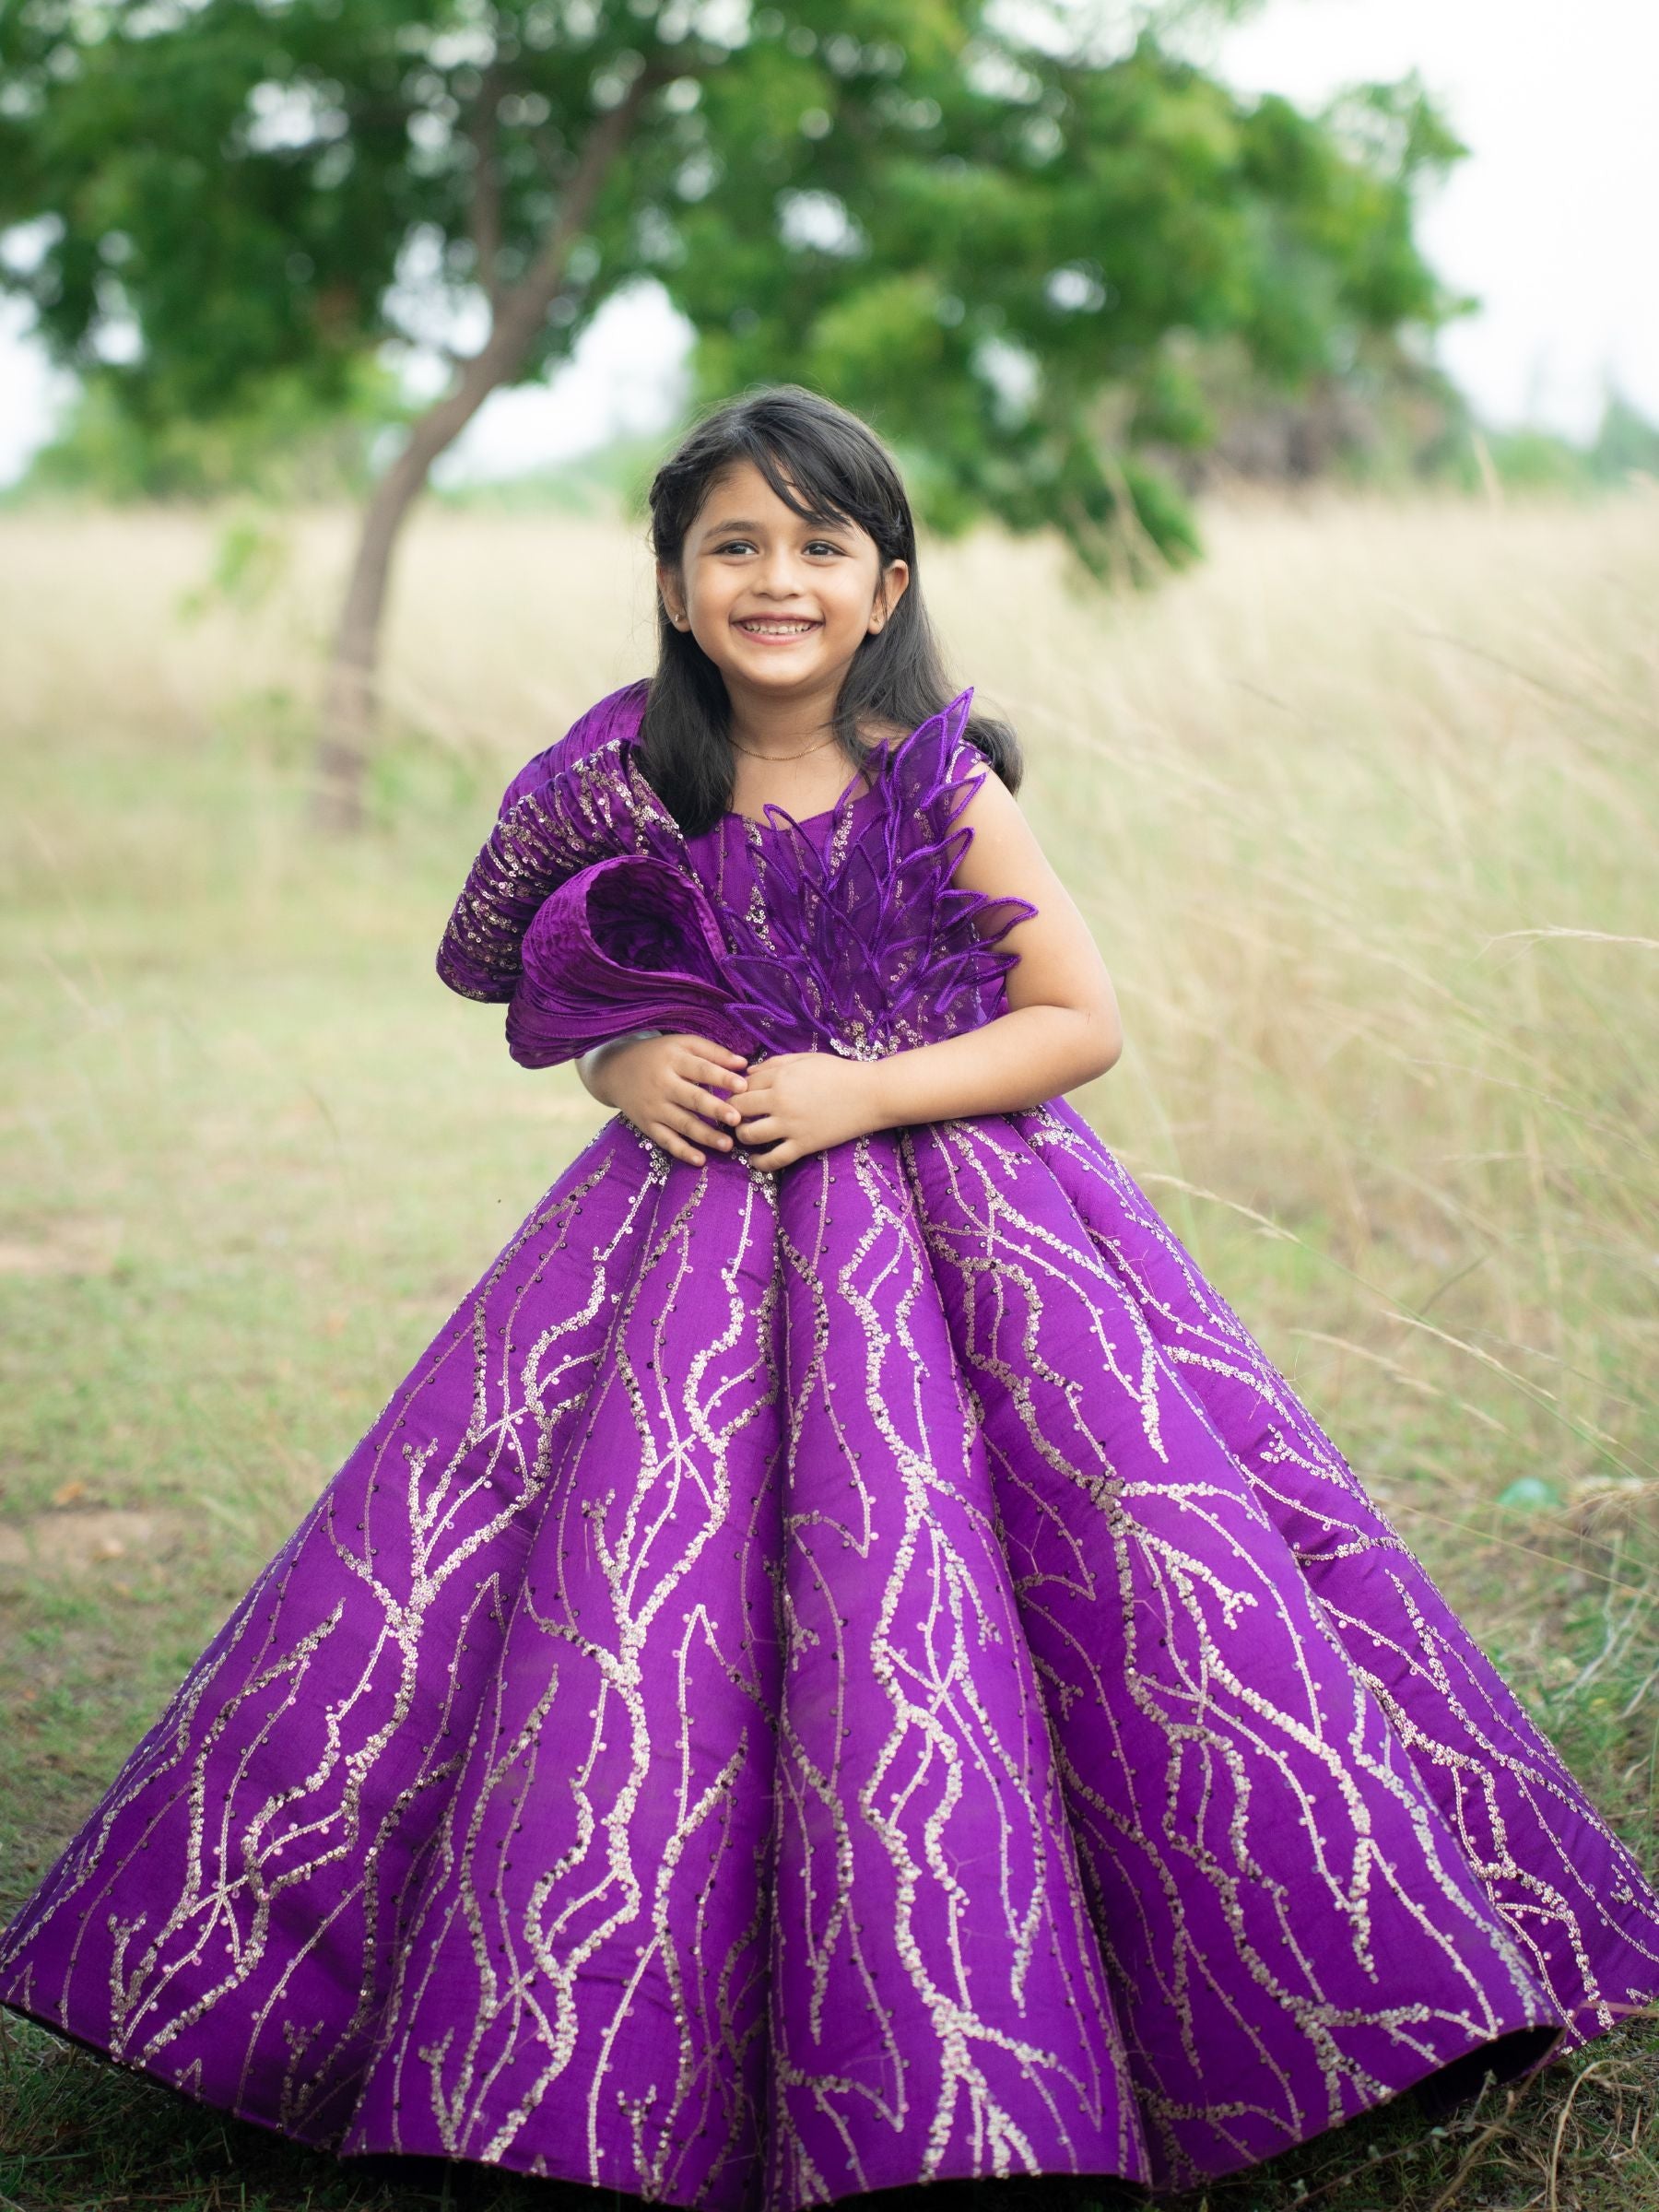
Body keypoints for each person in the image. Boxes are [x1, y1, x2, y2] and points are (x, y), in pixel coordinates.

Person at [3, 382, 1656, 2210]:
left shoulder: (938, 778)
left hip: (976, 1246)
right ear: (672, 576)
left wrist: (867, 1087)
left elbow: (1077, 1022)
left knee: (1053, 1591)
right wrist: (618, 1056)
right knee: (626, 1601)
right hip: (679, 1244)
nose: (774, 578)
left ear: (884, 586)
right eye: (734, 545)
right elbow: (492, 953)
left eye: (818, 545)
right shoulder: (615, 770)